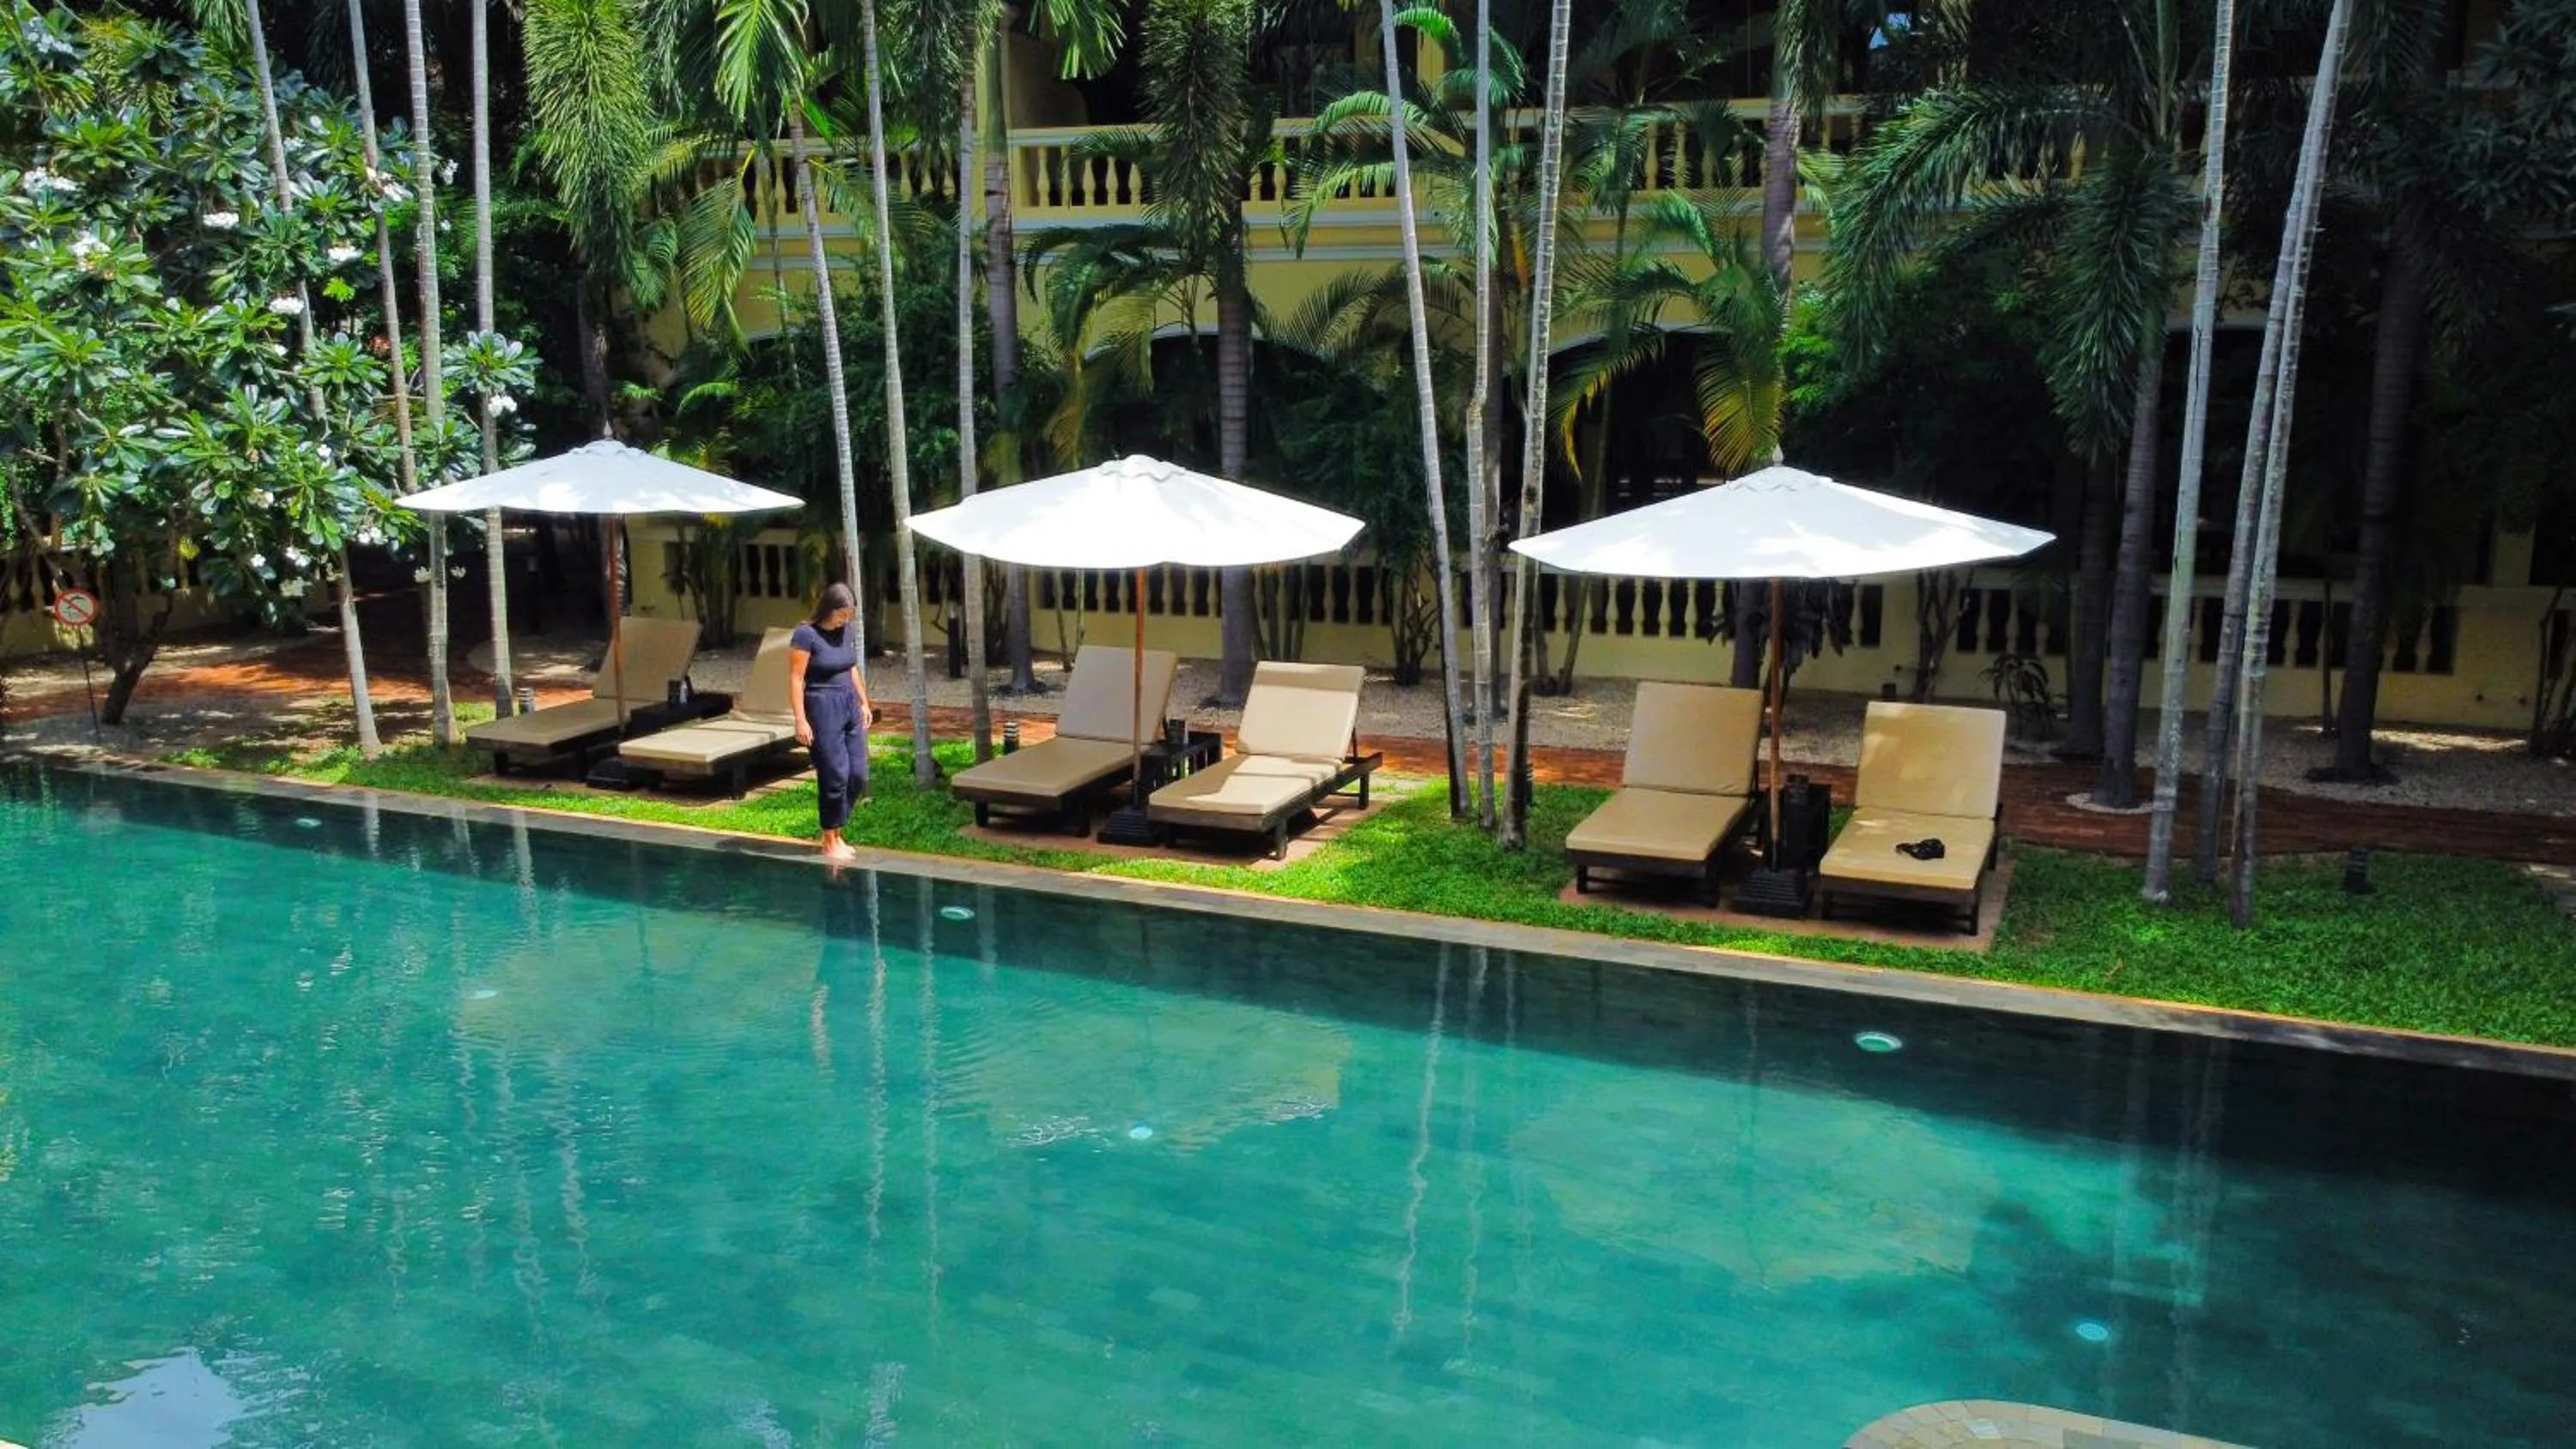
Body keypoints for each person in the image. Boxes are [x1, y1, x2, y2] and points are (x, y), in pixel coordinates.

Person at [789, 583, 875, 860]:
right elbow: (795, 679)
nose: (845, 620)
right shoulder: (806, 635)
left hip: (849, 702)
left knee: (858, 774)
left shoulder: (846, 631)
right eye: (842, 615)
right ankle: (830, 838)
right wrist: (800, 720)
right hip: (822, 705)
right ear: (828, 609)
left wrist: (864, 702)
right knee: (834, 775)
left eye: (849, 615)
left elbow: (850, 667)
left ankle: (837, 830)